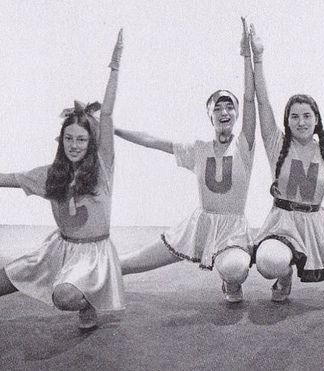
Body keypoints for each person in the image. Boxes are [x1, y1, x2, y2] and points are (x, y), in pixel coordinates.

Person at [115, 18, 256, 303]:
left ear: (237, 114)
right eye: (218, 107)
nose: (225, 111)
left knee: (235, 268)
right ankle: (96, 278)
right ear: (210, 115)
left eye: (230, 106)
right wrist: (113, 129)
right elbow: (153, 141)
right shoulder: (198, 149)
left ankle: (230, 282)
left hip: (232, 229)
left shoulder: (244, 146)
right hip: (198, 226)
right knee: (129, 263)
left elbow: (251, 98)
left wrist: (246, 55)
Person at [0, 30, 125, 329]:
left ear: (90, 143)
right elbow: (7, 179)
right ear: (62, 141)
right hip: (59, 248)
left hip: (93, 256)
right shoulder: (50, 174)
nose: (74, 145)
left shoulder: (103, 169)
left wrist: (115, 66)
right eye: (69, 138)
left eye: (81, 139)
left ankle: (89, 302)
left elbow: (105, 115)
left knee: (64, 296)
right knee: (5, 279)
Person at [249, 24, 324, 302]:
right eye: (294, 116)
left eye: (306, 116)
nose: (300, 122)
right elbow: (262, 103)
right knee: (270, 262)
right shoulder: (278, 144)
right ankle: (283, 275)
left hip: (318, 226)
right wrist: (258, 58)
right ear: (287, 121)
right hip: (282, 224)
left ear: (316, 121)